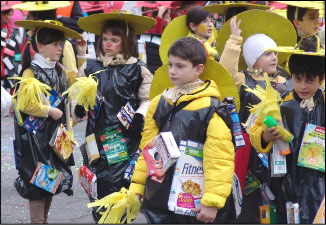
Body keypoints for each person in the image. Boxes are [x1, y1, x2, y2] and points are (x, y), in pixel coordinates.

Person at [129, 37, 237, 223]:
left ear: (198, 69)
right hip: (160, 195)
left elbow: (219, 158)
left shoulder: (211, 107)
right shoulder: (159, 102)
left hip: (194, 199)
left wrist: (212, 201)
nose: (172, 71)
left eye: (180, 66)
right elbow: (147, 150)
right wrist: (137, 187)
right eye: (170, 64)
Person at [215, 10, 297, 223]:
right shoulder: (243, 80)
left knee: (281, 201)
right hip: (252, 153)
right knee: (253, 204)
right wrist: (234, 42)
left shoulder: (287, 81)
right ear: (253, 60)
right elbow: (226, 73)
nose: (274, 57)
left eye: (275, 52)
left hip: (284, 150)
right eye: (267, 53)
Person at [73, 11, 155, 223]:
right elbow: (75, 96)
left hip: (126, 140)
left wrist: (139, 116)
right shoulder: (90, 67)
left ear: (125, 42)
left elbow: (148, 99)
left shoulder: (138, 69)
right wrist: (78, 107)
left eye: (114, 40)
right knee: (97, 188)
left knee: (120, 191)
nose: (108, 44)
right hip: (95, 141)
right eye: (105, 39)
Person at [11, 20, 82, 224]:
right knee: (38, 185)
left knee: (50, 182)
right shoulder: (30, 72)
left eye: (61, 44)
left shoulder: (58, 69)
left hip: (53, 138)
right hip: (35, 141)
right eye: (55, 44)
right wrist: (49, 110)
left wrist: (83, 54)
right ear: (40, 46)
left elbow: (77, 81)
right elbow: (24, 104)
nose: (60, 48)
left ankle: (43, 221)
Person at [248, 35, 325, 223]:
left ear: (322, 79)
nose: (303, 86)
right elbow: (254, 130)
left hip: (320, 185)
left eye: (310, 80)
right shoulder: (279, 104)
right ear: (291, 77)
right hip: (286, 183)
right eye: (298, 79)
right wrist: (265, 136)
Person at [12, 1, 81, 81]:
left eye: (58, 44)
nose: (59, 48)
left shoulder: (29, 41)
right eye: (55, 44)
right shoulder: (65, 45)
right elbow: (73, 82)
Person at [1, 1, 23, 94]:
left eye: (11, 15)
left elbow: (19, 51)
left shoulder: (14, 32)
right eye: (7, 15)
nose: (9, 17)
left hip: (10, 71)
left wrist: (17, 68)